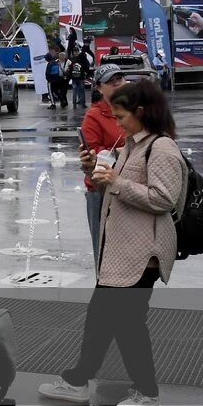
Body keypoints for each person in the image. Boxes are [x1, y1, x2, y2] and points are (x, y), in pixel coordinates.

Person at [39, 79, 183, 406]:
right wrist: (93, 169)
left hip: (140, 254)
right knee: (100, 318)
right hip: (120, 254)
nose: (116, 123)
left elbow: (163, 199)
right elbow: (113, 185)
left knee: (128, 324)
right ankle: (77, 380)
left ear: (141, 112)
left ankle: (147, 392)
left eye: (120, 116)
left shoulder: (161, 148)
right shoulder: (132, 144)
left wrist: (116, 182)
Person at [80, 64, 128, 260]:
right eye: (111, 81)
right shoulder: (93, 116)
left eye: (120, 79)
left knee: (128, 251)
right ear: (99, 87)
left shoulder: (134, 108)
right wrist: (119, 152)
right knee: (104, 251)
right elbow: (91, 151)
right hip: (101, 190)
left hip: (128, 187)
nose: (117, 83)